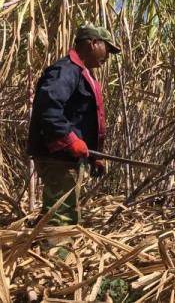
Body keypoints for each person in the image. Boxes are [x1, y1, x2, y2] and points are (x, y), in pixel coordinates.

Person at [27, 23, 120, 226]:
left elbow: (78, 119)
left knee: (61, 209)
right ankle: (56, 255)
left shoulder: (80, 72)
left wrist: (94, 155)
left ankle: (42, 243)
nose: (108, 56)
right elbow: (48, 108)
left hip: (68, 157)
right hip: (58, 157)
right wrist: (70, 140)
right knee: (62, 216)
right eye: (107, 48)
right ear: (93, 43)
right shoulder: (66, 70)